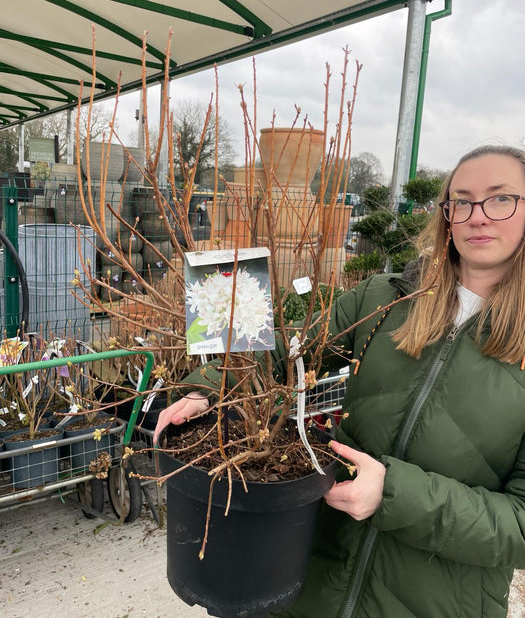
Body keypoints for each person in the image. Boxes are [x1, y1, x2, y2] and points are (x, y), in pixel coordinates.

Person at [154, 145, 525, 618]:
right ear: (446, 214)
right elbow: (287, 358)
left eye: (500, 199)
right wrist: (205, 388)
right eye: (462, 201)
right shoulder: (382, 301)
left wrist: (392, 495)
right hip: (309, 580)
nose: (478, 216)